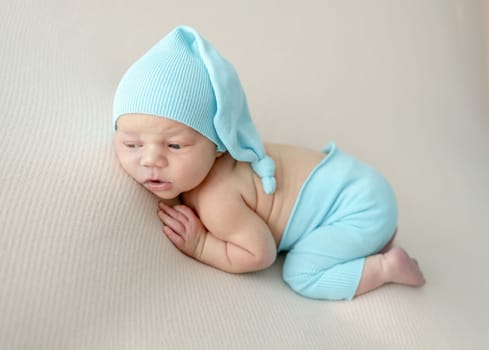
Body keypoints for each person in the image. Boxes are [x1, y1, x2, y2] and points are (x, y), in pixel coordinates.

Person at [113, 25, 425, 300]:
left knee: (301, 274)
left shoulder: (216, 200)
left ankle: (385, 267)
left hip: (357, 208)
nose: (151, 159)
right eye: (132, 144)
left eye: (175, 145)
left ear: (219, 145)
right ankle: (368, 242)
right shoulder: (223, 159)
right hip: (355, 182)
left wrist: (201, 245)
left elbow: (259, 254)